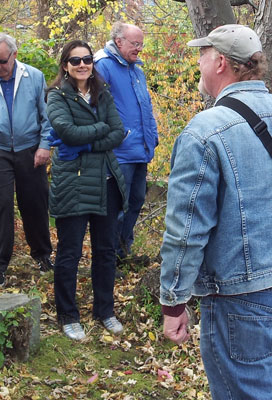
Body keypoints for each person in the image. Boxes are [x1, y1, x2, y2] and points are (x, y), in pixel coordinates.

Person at [160, 25, 272, 400]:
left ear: (221, 62)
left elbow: (186, 229)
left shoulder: (203, 132)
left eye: (203, 55)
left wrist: (173, 302)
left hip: (239, 298)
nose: (198, 63)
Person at [45, 40, 128, 339]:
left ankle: (105, 310)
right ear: (65, 65)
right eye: (75, 60)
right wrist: (100, 129)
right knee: (70, 252)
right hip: (73, 183)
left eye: (87, 59)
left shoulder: (102, 94)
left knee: (106, 251)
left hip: (106, 182)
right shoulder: (56, 96)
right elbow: (66, 131)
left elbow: (118, 133)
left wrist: (88, 142)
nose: (82, 64)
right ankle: (68, 315)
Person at [0, 32, 54, 287]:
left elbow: (47, 116)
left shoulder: (34, 77)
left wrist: (44, 145)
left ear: (14, 55)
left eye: (1, 61)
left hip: (30, 150)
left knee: (35, 202)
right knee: (2, 204)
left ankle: (42, 255)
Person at [94, 22, 159, 265]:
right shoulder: (103, 66)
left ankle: (123, 252)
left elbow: (145, 107)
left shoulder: (136, 70)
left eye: (141, 44)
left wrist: (152, 136)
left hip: (140, 150)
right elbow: (96, 107)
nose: (139, 49)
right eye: (135, 44)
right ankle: (109, 258)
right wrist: (114, 137)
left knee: (136, 200)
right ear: (118, 41)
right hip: (119, 152)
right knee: (117, 207)